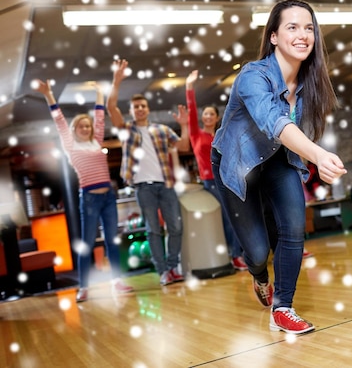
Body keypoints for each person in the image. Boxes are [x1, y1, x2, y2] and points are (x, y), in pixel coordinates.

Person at [211, 0, 346, 335]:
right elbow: (273, 121)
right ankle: (259, 276)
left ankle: (283, 307)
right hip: (237, 164)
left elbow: (298, 133)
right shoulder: (252, 77)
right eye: (292, 27)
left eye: (309, 28)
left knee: (293, 227)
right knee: (256, 253)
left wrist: (313, 158)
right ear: (273, 36)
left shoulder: (309, 85)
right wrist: (318, 155)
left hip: (279, 160)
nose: (303, 35)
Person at [33, 79, 134, 302]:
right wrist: (48, 94)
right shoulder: (70, 146)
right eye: (82, 126)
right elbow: (59, 120)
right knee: (87, 244)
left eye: (88, 126)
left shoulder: (97, 141)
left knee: (111, 241)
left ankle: (117, 281)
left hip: (108, 196)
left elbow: (99, 117)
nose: (87, 128)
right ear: (75, 130)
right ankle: (84, 287)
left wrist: (99, 94)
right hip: (88, 199)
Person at [106, 59, 190, 286]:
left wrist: (184, 125)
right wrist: (117, 81)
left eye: (143, 106)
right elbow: (111, 108)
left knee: (175, 227)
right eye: (136, 107)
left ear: (148, 109)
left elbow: (183, 147)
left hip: (166, 185)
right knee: (154, 230)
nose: (140, 109)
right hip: (143, 187)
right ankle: (163, 272)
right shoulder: (126, 130)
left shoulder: (161, 130)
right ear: (132, 111)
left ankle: (173, 267)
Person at [185, 70, 246, 271]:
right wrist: (189, 87)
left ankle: (240, 254)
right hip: (211, 182)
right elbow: (191, 112)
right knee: (230, 217)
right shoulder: (196, 134)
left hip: (229, 179)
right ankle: (235, 255)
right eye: (205, 114)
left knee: (238, 216)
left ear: (217, 117)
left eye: (211, 113)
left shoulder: (222, 135)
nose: (208, 116)